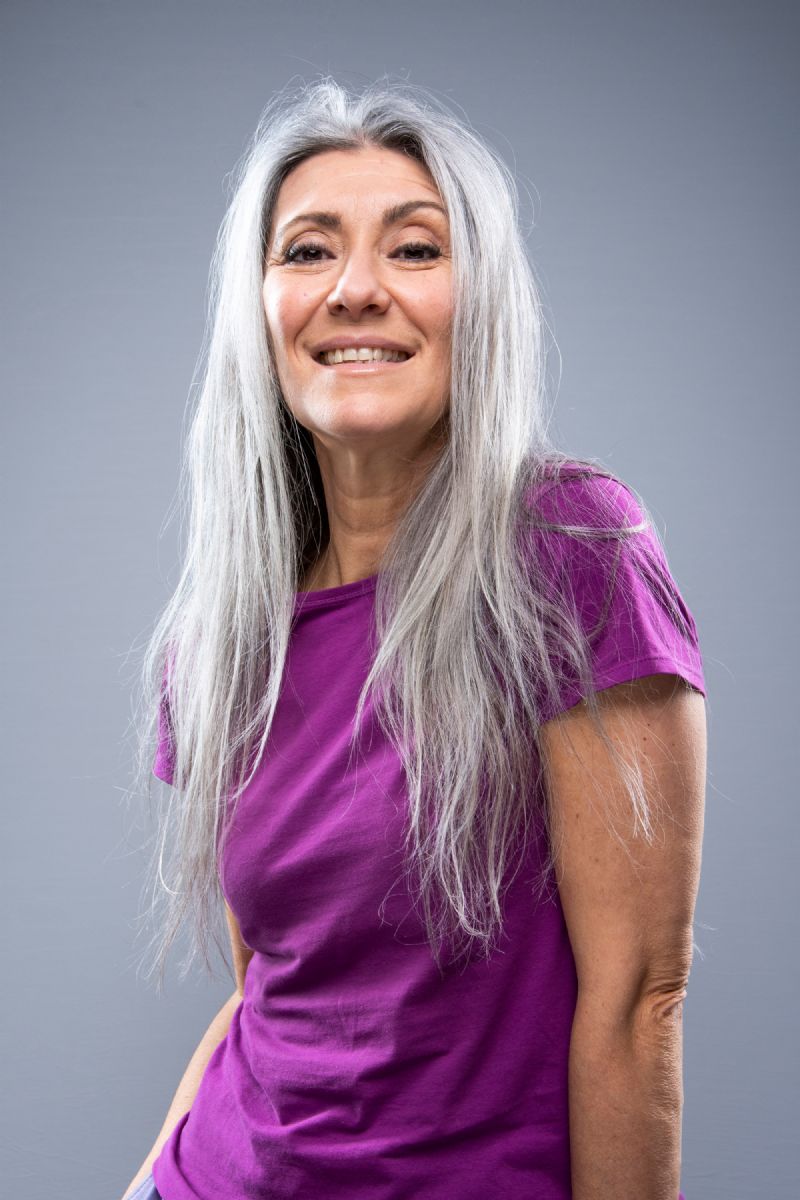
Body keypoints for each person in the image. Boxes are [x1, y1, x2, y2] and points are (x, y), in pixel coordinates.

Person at [121, 76, 707, 1200]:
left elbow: (639, 999)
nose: (353, 290)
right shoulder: (217, 640)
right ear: (258, 311)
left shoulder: (568, 554)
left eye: (415, 250)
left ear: (477, 301)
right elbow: (271, 992)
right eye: (304, 252)